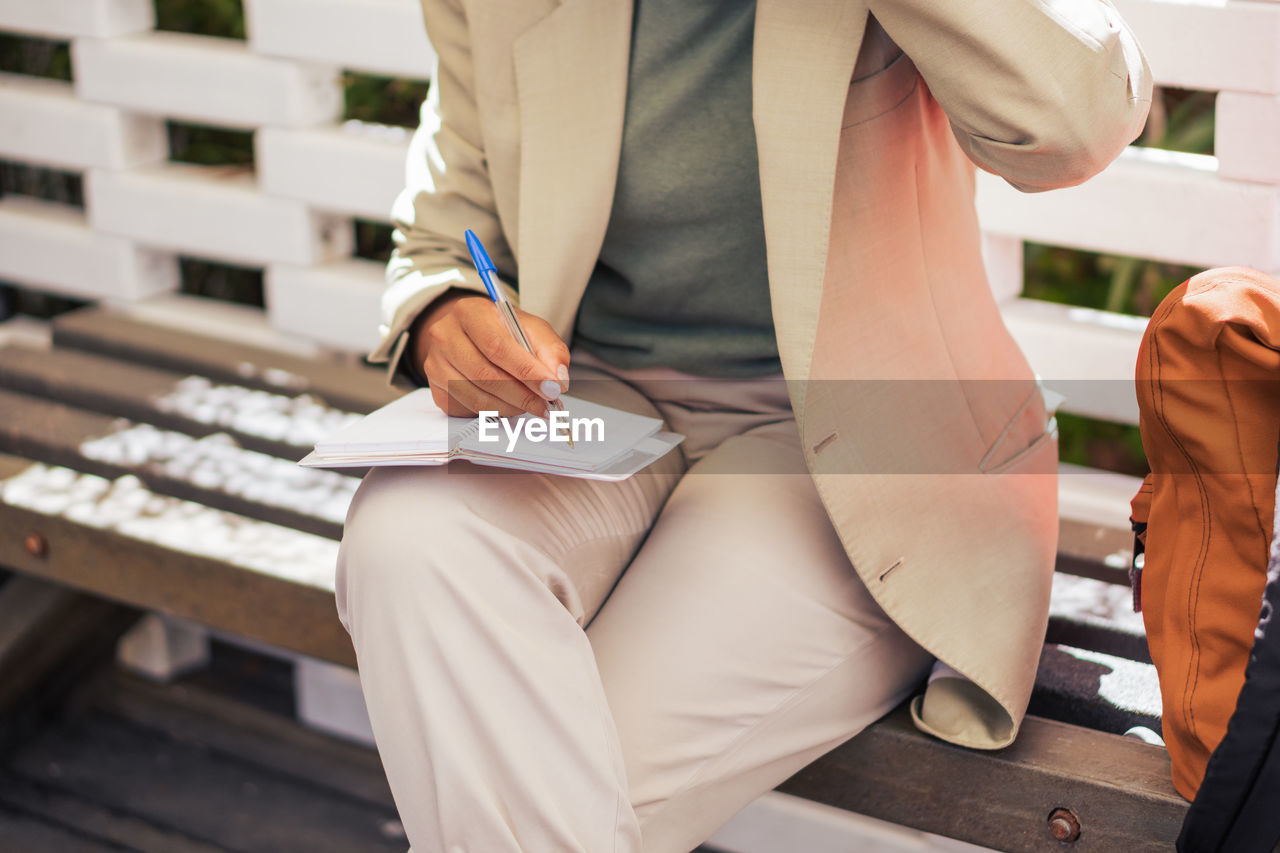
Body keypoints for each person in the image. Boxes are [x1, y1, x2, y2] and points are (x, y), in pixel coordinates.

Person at [336, 2, 1152, 850]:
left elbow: (1079, 122)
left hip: (850, 441)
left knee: (531, 771)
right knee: (406, 538)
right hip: (588, 398)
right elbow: (442, 225)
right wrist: (449, 311)